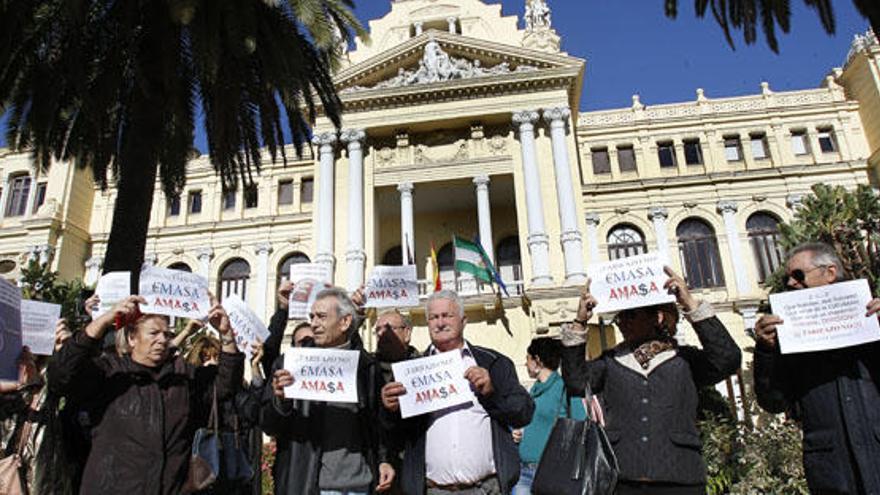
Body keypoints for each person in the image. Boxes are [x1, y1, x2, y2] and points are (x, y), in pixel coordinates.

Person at [560, 267, 741, 495]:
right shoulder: (610, 361)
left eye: (631, 315)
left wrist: (690, 305)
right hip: (623, 477)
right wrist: (580, 322)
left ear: (657, 316)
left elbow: (727, 359)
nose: (622, 322)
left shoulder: (684, 359)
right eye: (619, 317)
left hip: (680, 478)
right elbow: (575, 382)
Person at [48, 295, 244, 494]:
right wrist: (103, 321)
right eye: (154, 333)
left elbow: (225, 385)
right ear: (132, 338)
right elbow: (62, 376)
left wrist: (226, 335)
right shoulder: (110, 372)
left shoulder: (182, 376)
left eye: (167, 334)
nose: (162, 340)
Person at [754, 242, 880, 494]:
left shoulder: (871, 319)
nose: (791, 283)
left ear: (830, 273)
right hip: (832, 470)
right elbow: (773, 401)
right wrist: (766, 351)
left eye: (798, 275)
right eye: (788, 277)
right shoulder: (788, 337)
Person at [381, 290, 535, 495]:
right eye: (434, 317)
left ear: (464, 321)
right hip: (434, 490)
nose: (440, 322)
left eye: (447, 315)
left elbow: (523, 413)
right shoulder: (410, 371)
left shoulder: (494, 363)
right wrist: (389, 410)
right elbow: (394, 434)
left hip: (488, 488)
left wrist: (492, 393)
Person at [263, 287, 395, 495]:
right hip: (307, 485)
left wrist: (383, 460)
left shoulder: (366, 368)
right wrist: (281, 401)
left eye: (322, 317)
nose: (314, 324)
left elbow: (377, 424)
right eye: (312, 317)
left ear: (344, 322)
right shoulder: (289, 364)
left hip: (359, 485)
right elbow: (269, 426)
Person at [511, 337, 586, 495]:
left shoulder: (565, 388)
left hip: (554, 472)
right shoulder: (533, 391)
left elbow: (581, 424)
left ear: (537, 360)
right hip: (524, 471)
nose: (525, 364)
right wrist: (517, 434)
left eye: (527, 358)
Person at [373, 309, 420, 384]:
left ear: (407, 333)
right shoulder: (367, 369)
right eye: (378, 329)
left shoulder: (424, 367)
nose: (380, 333)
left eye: (388, 328)